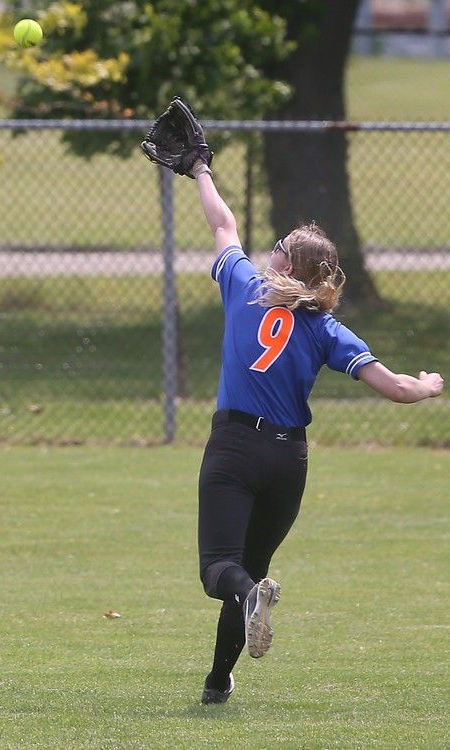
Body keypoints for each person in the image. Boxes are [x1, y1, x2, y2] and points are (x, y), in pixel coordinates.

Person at [189, 158, 443, 705]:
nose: (272, 248)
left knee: (220, 572)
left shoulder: (244, 286)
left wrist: (200, 169)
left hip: (234, 445)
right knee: (249, 572)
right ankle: (216, 685)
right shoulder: (327, 328)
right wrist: (426, 385)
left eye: (279, 245)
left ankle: (250, 597)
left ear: (288, 264)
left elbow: (222, 226)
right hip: (288, 460)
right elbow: (395, 387)